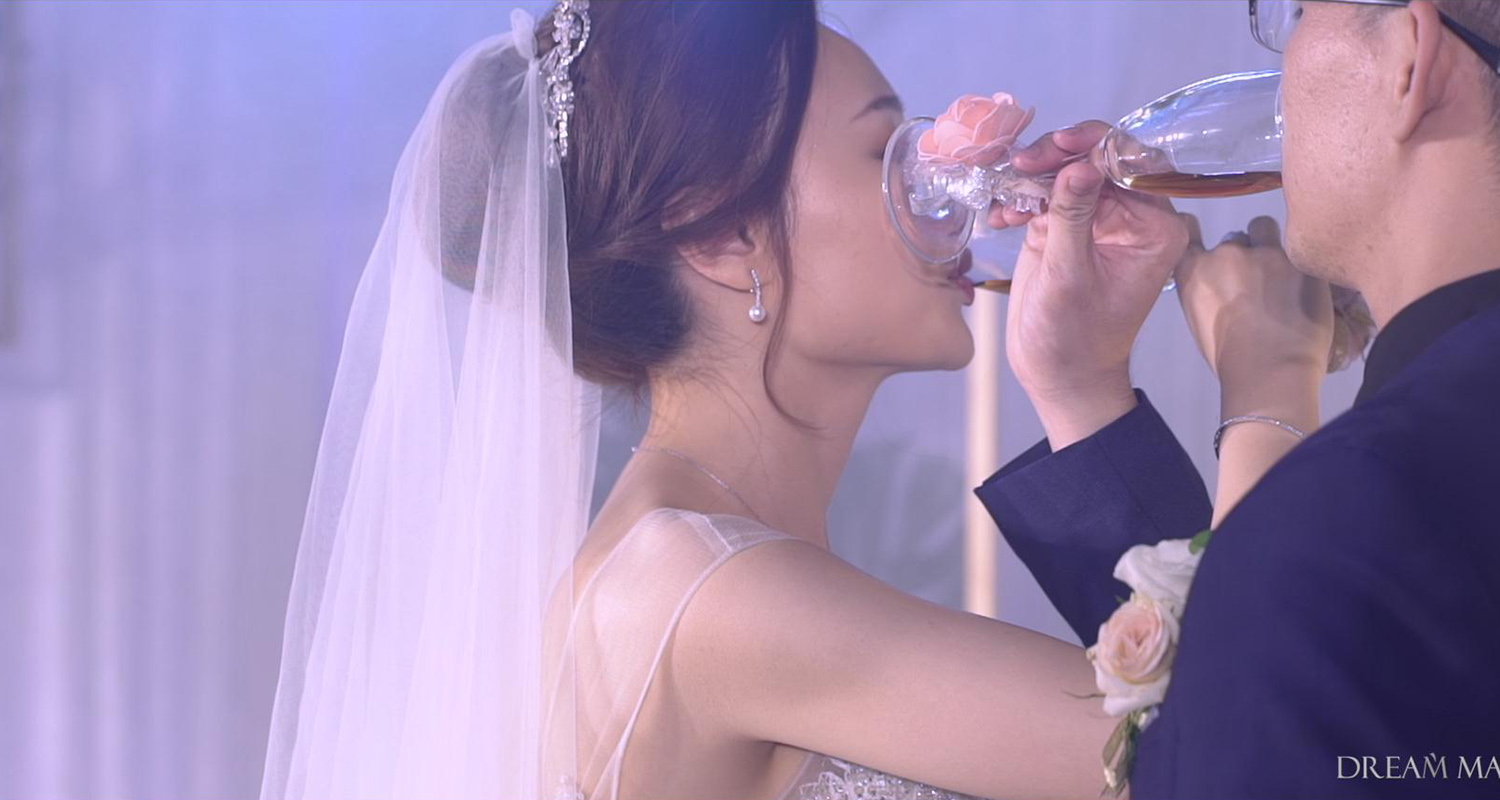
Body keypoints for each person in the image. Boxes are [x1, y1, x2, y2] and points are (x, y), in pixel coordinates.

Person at [261, 2, 1285, 799]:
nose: (959, 187)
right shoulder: (714, 593)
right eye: (887, 150)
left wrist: (1083, 390)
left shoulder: (679, 565)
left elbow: (1201, 730)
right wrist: (1269, 373)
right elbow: (1257, 758)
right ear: (722, 235)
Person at [977, 1, 1500, 798]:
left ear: (1410, 63)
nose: (1279, 67)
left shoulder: (1370, 494)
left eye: (1299, 11)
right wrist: (1083, 394)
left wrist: (1268, 398)